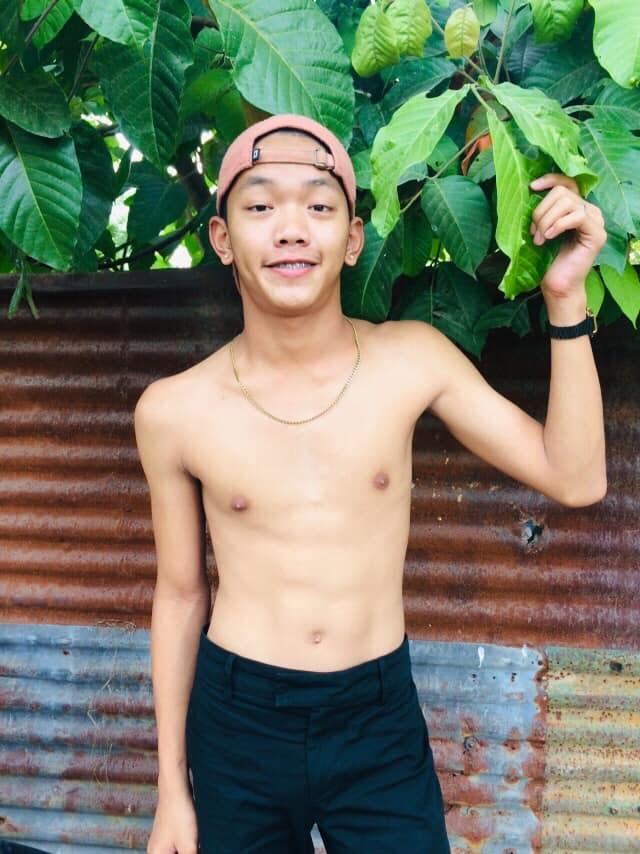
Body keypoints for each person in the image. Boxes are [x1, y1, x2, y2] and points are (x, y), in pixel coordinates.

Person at [134, 113, 607, 853]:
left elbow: (575, 478)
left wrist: (566, 299)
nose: (292, 230)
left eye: (320, 206)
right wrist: (171, 790)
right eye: (261, 206)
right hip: (238, 722)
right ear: (222, 237)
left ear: (354, 239)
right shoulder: (173, 410)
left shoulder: (412, 359)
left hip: (376, 718)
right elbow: (180, 595)